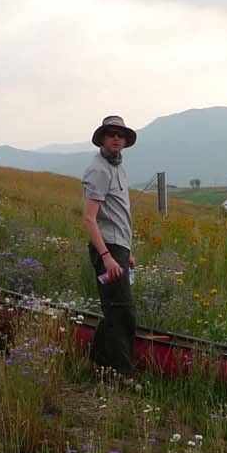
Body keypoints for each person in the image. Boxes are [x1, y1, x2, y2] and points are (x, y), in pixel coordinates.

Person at [81, 115, 140, 374]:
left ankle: (95, 362)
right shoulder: (98, 170)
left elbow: (119, 213)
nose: (117, 138)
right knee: (123, 313)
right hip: (107, 249)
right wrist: (107, 256)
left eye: (121, 134)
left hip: (119, 248)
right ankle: (123, 374)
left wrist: (127, 252)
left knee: (114, 310)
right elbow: (89, 218)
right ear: (102, 138)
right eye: (111, 133)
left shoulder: (119, 166)